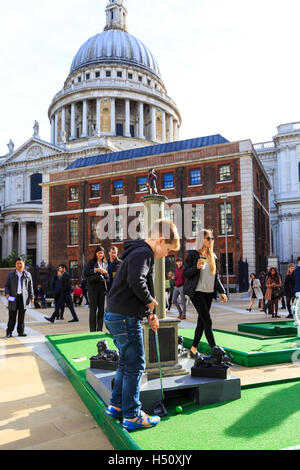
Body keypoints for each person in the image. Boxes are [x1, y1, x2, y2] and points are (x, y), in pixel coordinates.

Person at [104, 218, 180, 431]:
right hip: (125, 317)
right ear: (161, 239)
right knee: (136, 364)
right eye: (167, 249)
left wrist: (149, 313)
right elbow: (136, 281)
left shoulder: (136, 252)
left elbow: (136, 285)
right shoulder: (143, 253)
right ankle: (132, 415)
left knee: (126, 363)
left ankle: (117, 406)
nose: (166, 254)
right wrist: (149, 300)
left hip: (116, 315)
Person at [183, 229, 228, 359]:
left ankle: (193, 349)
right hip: (197, 292)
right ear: (200, 240)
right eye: (208, 238)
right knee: (207, 320)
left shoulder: (213, 256)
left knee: (202, 322)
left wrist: (222, 291)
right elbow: (186, 273)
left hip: (209, 293)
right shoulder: (193, 254)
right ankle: (215, 351)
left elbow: (216, 276)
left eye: (212, 238)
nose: (211, 241)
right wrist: (196, 267)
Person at [4, 257, 34, 338]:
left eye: (21, 263)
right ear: (15, 264)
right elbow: (6, 286)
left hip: (23, 298)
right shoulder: (10, 274)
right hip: (13, 298)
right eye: (18, 263)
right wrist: (7, 294)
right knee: (12, 316)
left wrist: (32, 297)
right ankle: (9, 332)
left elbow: (30, 287)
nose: (19, 265)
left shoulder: (28, 275)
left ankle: (21, 332)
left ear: (24, 264)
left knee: (21, 317)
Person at [84, 246, 108, 332]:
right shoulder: (91, 262)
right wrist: (96, 270)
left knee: (101, 310)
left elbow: (107, 276)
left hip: (102, 288)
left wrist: (106, 273)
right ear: (96, 253)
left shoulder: (105, 263)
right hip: (93, 289)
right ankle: (92, 330)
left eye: (102, 253)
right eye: (99, 253)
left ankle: (99, 330)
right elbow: (85, 273)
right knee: (93, 310)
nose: (100, 255)